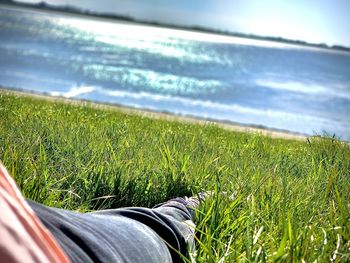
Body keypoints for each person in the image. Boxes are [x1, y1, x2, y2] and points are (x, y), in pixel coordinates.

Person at [0, 161, 203, 263]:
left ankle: (188, 206)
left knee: (152, 224)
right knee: (162, 228)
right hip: (45, 245)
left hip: (22, 222)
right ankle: (189, 207)